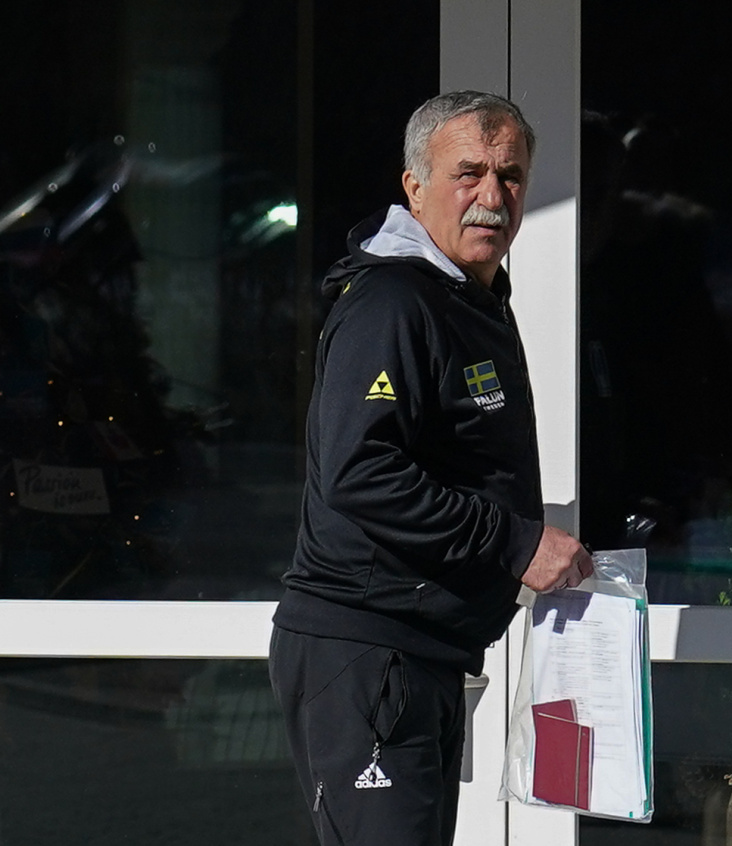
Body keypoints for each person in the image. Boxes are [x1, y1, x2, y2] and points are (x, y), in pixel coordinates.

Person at [268, 91, 593, 846]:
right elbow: (359, 472)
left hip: (420, 653)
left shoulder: (466, 299)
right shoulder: (393, 301)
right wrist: (515, 543)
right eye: (468, 173)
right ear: (414, 188)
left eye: (510, 176)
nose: (492, 198)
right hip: (369, 650)